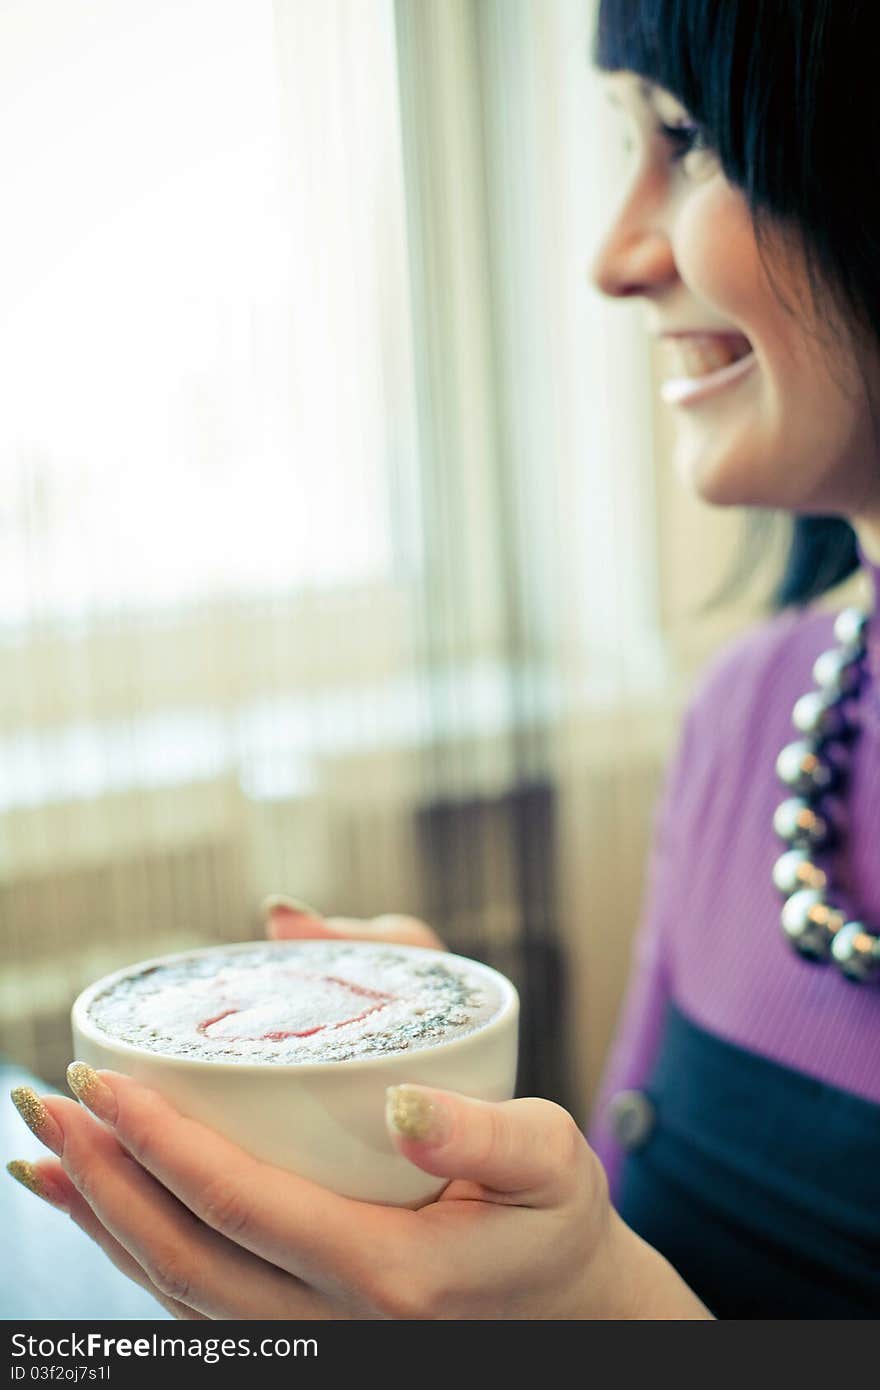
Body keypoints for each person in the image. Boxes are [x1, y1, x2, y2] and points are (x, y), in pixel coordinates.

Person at [6, 0, 880, 1319]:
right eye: (624, 142)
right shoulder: (746, 721)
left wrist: (593, 1311)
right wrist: (429, 1159)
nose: (612, 255)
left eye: (690, 138)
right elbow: (640, 1249)